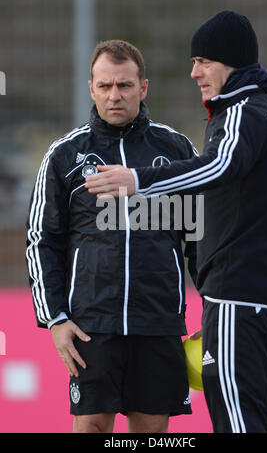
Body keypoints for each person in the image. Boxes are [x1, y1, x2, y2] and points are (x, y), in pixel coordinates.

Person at [85, 12, 267, 433]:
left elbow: (216, 166)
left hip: (240, 299)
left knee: (240, 422)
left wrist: (138, 181)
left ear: (230, 61)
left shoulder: (243, 111)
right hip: (258, 299)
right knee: (254, 417)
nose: (194, 72)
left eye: (202, 60)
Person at [25, 40, 199, 433]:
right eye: (104, 86)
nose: (114, 95)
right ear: (91, 89)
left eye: (124, 85)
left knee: (151, 431)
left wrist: (213, 306)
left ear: (144, 88)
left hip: (158, 321)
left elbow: (201, 239)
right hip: (92, 324)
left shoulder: (177, 151)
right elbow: (41, 240)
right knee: (91, 426)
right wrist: (55, 319)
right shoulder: (64, 156)